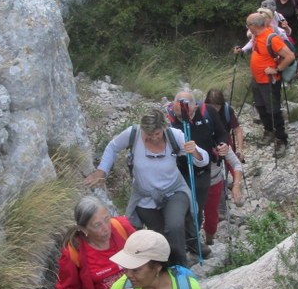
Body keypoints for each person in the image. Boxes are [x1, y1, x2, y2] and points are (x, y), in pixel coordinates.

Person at [83, 108, 209, 267]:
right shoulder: (133, 134)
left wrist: (195, 152)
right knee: (159, 236)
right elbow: (112, 147)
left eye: (157, 134)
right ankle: (165, 268)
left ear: (164, 128)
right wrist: (102, 171)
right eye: (148, 135)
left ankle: (181, 269)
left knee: (174, 225)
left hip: (174, 191)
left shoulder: (174, 136)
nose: (153, 138)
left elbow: (203, 159)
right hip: (145, 197)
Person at [167, 89, 229, 258]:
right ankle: (192, 244)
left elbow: (221, 132)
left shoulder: (207, 113)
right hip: (179, 172)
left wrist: (222, 144)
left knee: (197, 208)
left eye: (187, 106)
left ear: (195, 106)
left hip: (203, 171)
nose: (183, 111)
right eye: (178, 108)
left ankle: (193, 242)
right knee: (184, 209)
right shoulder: (168, 122)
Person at [242, 11, 295, 157]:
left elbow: (290, 56)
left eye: (248, 24)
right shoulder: (256, 36)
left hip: (269, 81)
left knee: (274, 110)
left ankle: (281, 139)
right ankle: (269, 131)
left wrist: (276, 69)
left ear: (253, 26)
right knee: (260, 106)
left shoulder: (272, 38)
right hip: (257, 80)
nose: (247, 27)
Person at [203, 88, 243, 245]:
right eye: (211, 105)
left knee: (222, 175)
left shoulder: (227, 111)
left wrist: (240, 149)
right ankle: (219, 209)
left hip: (224, 146)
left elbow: (237, 131)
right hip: (211, 150)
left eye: (217, 105)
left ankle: (224, 206)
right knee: (219, 177)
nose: (214, 108)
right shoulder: (202, 114)